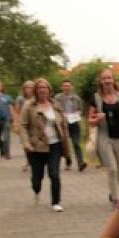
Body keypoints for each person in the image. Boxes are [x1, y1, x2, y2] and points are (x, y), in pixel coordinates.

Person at [20, 79, 73, 211]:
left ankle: (56, 202)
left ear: (49, 90)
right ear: (35, 91)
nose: (42, 90)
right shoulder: (29, 106)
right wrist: (26, 143)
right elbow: (23, 126)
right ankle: (36, 190)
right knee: (37, 177)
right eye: (39, 88)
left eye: (45, 88)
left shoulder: (56, 105)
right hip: (36, 147)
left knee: (54, 174)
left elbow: (63, 125)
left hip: (55, 144)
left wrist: (66, 143)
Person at [88, 67, 119, 204]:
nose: (107, 81)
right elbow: (90, 120)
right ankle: (116, 199)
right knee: (112, 169)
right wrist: (98, 119)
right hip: (104, 137)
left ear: (113, 80)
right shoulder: (95, 98)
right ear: (100, 82)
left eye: (109, 78)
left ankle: (113, 193)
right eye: (104, 78)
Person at [58, 79, 87, 173]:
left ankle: (80, 162)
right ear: (62, 87)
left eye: (68, 86)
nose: (66, 87)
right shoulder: (58, 98)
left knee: (76, 143)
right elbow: (55, 109)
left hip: (74, 122)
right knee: (65, 145)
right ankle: (68, 161)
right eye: (65, 86)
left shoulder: (76, 98)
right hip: (63, 123)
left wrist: (77, 113)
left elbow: (80, 109)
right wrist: (62, 115)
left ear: (71, 87)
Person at [14, 79, 36, 172]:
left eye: (31, 87)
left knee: (34, 142)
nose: (29, 89)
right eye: (27, 87)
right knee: (25, 143)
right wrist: (16, 124)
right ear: (24, 89)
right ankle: (28, 161)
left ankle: (34, 161)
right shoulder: (20, 99)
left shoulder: (36, 98)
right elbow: (16, 112)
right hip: (23, 124)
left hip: (34, 124)